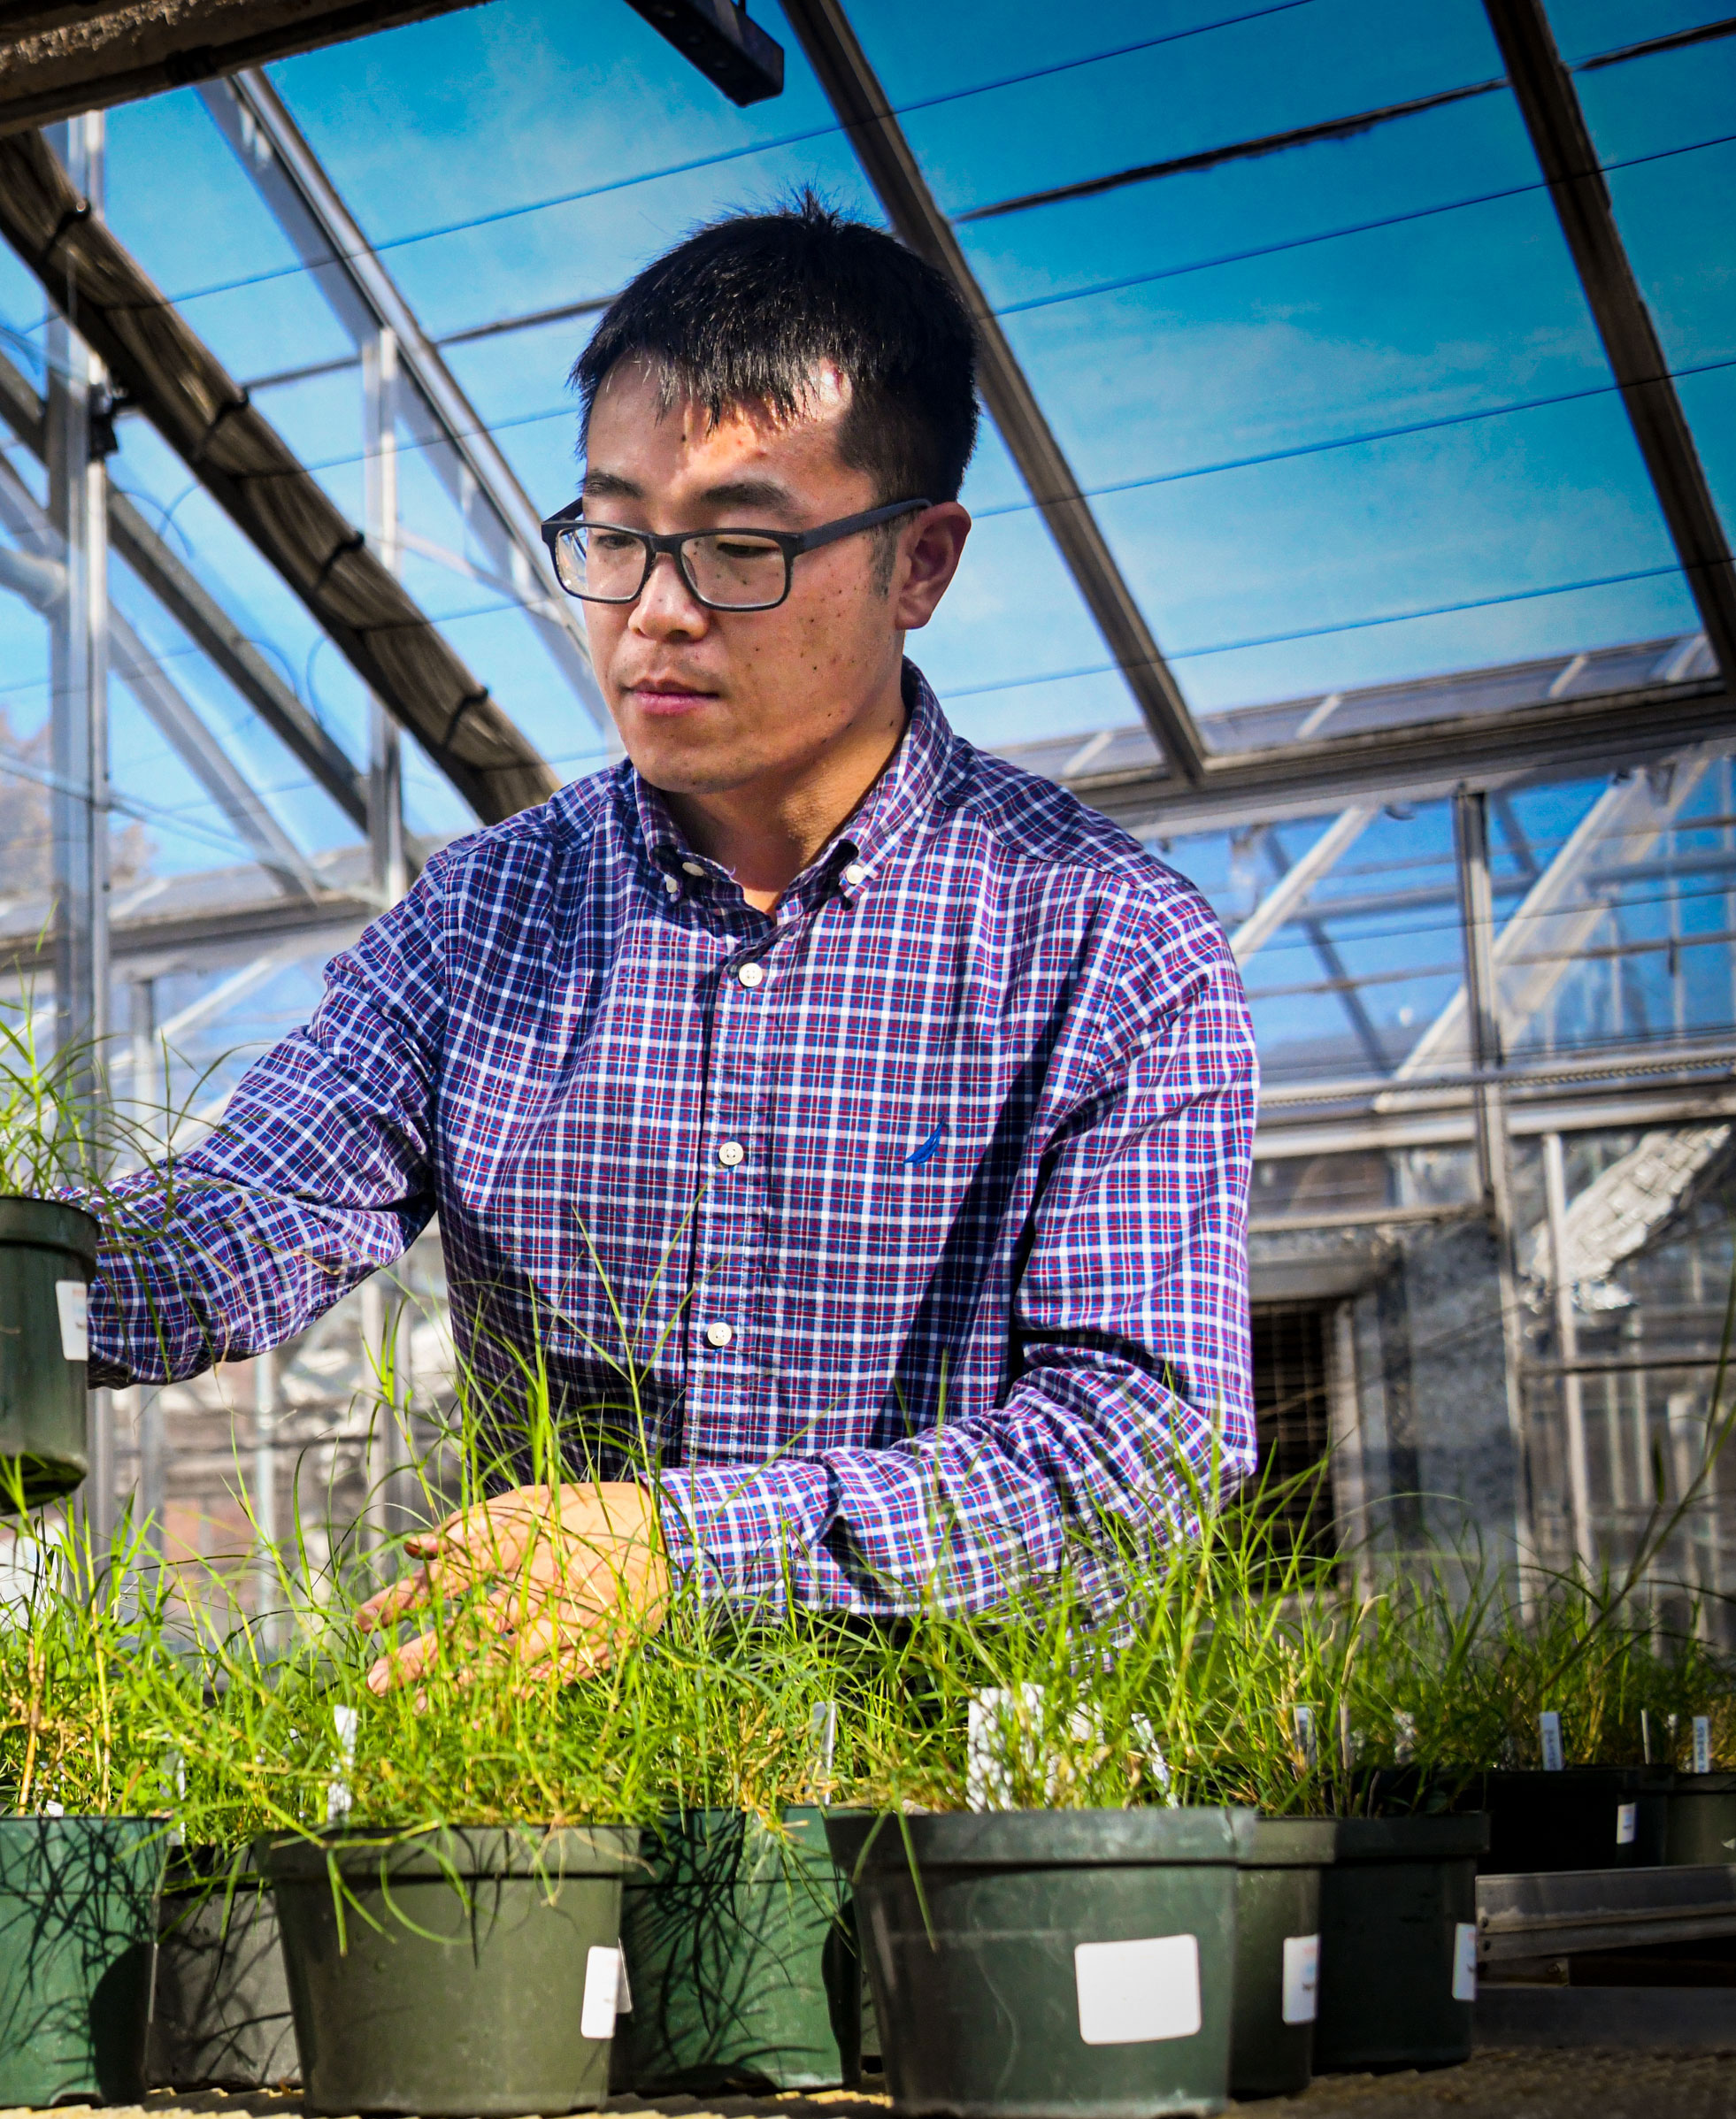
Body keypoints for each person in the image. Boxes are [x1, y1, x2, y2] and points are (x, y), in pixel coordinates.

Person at [84, 198, 1256, 1688]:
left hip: (959, 1825)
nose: (654, 615)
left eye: (739, 550)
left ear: (920, 564)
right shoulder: (483, 922)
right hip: (557, 1820)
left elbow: (1132, 1454)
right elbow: (243, 1219)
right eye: (614, 537)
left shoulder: (1104, 941)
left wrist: (677, 1552)